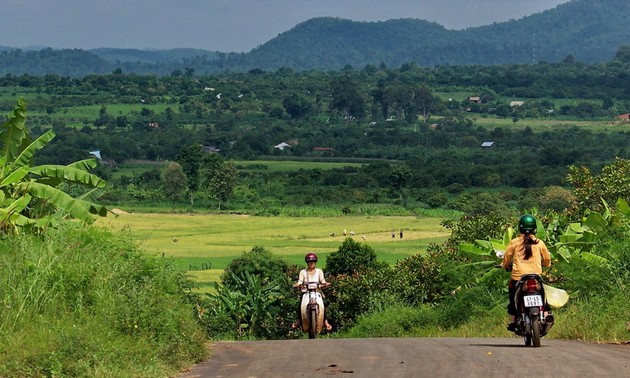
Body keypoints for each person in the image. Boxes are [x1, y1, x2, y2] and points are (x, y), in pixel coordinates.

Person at [501, 214, 552, 331]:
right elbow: (547, 259)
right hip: (536, 278)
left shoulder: (514, 242)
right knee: (543, 296)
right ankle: (545, 315)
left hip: (518, 278)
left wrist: (503, 265)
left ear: (520, 227)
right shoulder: (539, 243)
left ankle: (513, 320)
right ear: (535, 228)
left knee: (513, 297)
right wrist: (547, 265)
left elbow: (507, 257)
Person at [292, 253, 332, 331]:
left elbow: (323, 281)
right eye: (309, 262)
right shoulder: (302, 272)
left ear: (315, 263)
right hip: (306, 292)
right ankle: (299, 321)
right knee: (300, 305)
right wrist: (297, 285)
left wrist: (326, 284)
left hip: (317, 292)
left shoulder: (319, 271)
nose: (311, 264)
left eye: (313, 262)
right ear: (307, 263)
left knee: (323, 305)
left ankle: (326, 322)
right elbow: (300, 281)